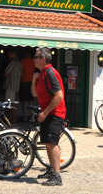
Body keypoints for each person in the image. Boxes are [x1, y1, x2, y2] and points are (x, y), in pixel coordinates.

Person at [32, 47, 66, 186]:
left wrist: (45, 112)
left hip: (54, 114)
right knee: (47, 142)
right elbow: (34, 94)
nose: (33, 59)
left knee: (52, 143)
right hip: (47, 113)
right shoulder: (43, 73)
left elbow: (59, 96)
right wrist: (33, 81)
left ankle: (56, 176)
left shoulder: (50, 73)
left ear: (43, 59)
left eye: (36, 57)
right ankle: (51, 170)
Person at [3, 49, 22, 121]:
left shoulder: (13, 62)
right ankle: (12, 119)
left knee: (9, 103)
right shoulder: (20, 63)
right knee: (12, 102)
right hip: (16, 85)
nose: (8, 55)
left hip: (10, 85)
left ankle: (10, 119)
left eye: (9, 54)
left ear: (13, 53)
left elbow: (6, 72)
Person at [20, 50, 37, 121]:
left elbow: (21, 71)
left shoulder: (23, 60)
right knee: (31, 100)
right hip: (32, 81)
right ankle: (32, 117)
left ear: (26, 52)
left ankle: (25, 117)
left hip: (24, 81)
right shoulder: (34, 60)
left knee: (25, 101)